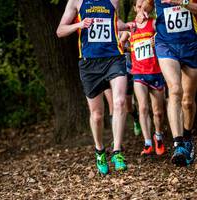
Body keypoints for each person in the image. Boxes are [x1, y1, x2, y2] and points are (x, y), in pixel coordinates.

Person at [56, 0, 136, 174]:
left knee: (120, 102)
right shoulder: (76, 1)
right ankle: (100, 150)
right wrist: (79, 24)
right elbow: (60, 31)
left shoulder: (113, 1)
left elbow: (115, 21)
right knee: (97, 115)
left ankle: (117, 151)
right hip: (89, 63)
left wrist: (127, 26)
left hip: (114, 57)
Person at [137, 0, 197, 165]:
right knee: (175, 90)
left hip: (191, 45)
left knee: (188, 102)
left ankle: (187, 137)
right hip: (166, 45)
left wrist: (181, 2)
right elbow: (148, 4)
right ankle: (178, 145)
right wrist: (144, 12)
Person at [121, 0, 166, 156]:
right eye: (138, 6)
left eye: (144, 6)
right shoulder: (131, 28)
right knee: (142, 107)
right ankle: (147, 142)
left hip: (156, 72)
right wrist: (123, 43)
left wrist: (157, 39)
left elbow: (164, 34)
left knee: (158, 112)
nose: (142, 9)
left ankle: (158, 136)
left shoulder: (153, 24)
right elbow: (120, 41)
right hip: (138, 73)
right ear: (134, 8)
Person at [120, 32, 142, 136]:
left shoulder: (127, 32)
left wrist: (124, 48)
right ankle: (116, 139)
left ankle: (136, 118)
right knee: (116, 105)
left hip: (129, 71)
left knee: (129, 107)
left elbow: (138, 46)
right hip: (114, 74)